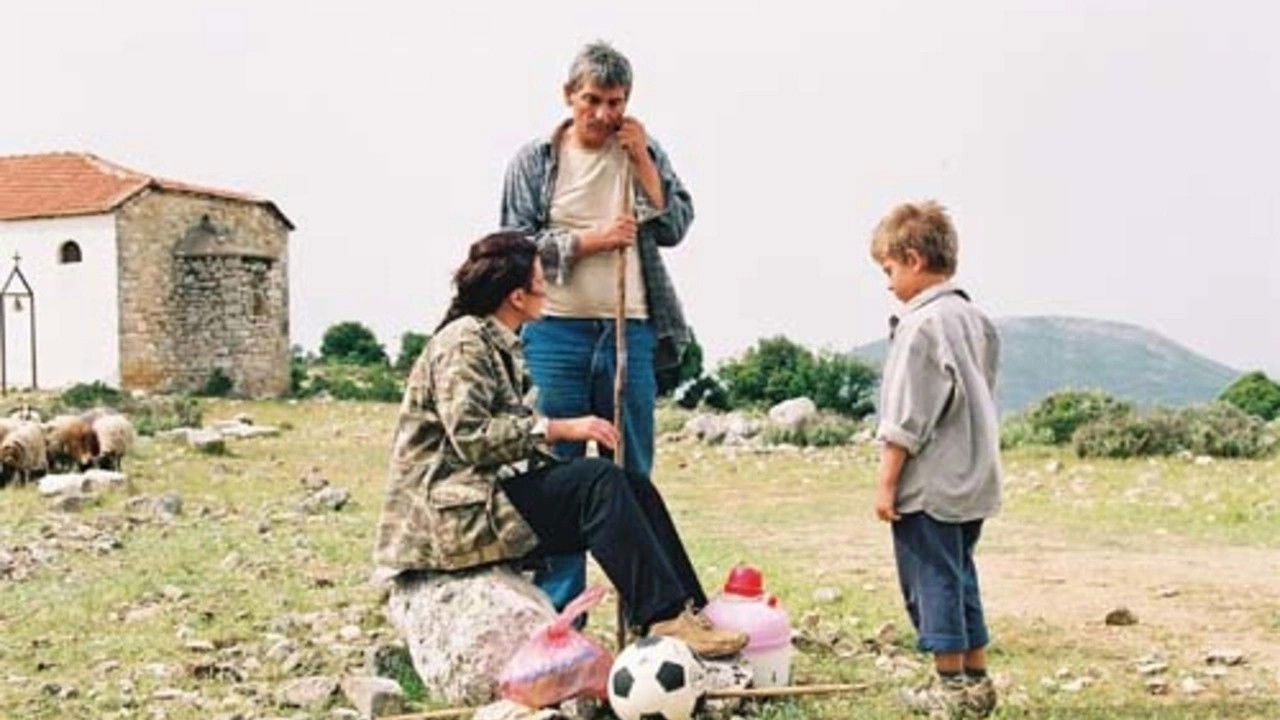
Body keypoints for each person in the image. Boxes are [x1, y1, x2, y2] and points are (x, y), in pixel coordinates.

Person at [372, 232, 746, 658]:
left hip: (478, 503)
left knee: (629, 485)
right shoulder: (463, 343)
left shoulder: (498, 345)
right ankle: (663, 617)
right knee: (596, 483)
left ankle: (687, 612)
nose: (548, 287)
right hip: (449, 518)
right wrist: (560, 428)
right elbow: (473, 439)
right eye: (540, 279)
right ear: (517, 296)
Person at [500, 41, 695, 610]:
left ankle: (648, 613)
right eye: (594, 101)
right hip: (554, 330)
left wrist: (644, 166)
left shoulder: (643, 150)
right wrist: (591, 243)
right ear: (569, 97)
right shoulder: (535, 161)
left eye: (617, 101)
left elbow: (676, 225)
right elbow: (514, 247)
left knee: (630, 470)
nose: (606, 114)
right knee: (558, 472)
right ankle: (558, 615)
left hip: (627, 327)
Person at [869, 201, 1002, 717]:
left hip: (931, 484)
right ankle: (976, 679)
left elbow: (907, 416)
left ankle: (948, 690)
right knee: (961, 573)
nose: (888, 283)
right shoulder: (977, 320)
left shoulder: (920, 326)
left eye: (890, 271)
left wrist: (886, 484)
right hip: (974, 477)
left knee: (933, 579)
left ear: (913, 258)